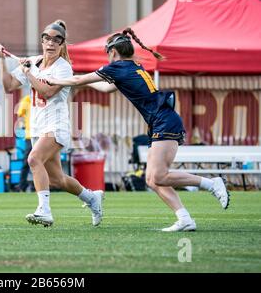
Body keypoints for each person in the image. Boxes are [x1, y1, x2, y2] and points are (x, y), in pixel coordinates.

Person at [42, 28, 230, 232]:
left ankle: (212, 184)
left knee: (158, 176)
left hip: (164, 121)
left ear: (113, 52)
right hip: (161, 121)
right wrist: (80, 82)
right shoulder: (132, 66)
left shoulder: (118, 67)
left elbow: (79, 80)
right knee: (152, 179)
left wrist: (55, 80)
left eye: (107, 54)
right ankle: (184, 219)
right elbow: (106, 87)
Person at [0, 20, 104, 227]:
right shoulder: (34, 62)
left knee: (33, 159)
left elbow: (47, 91)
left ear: (62, 44)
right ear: (42, 41)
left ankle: (44, 211)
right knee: (57, 180)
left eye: (56, 40)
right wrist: (1, 60)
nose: (51, 43)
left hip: (56, 125)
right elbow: (9, 86)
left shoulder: (64, 68)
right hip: (38, 126)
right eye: (47, 39)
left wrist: (28, 73)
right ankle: (92, 198)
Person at [16, 94, 32, 192]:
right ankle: (22, 185)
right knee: (27, 162)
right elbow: (20, 116)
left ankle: (38, 186)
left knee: (42, 163)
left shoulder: (45, 97)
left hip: (43, 136)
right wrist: (23, 127)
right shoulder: (27, 99)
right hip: (30, 136)